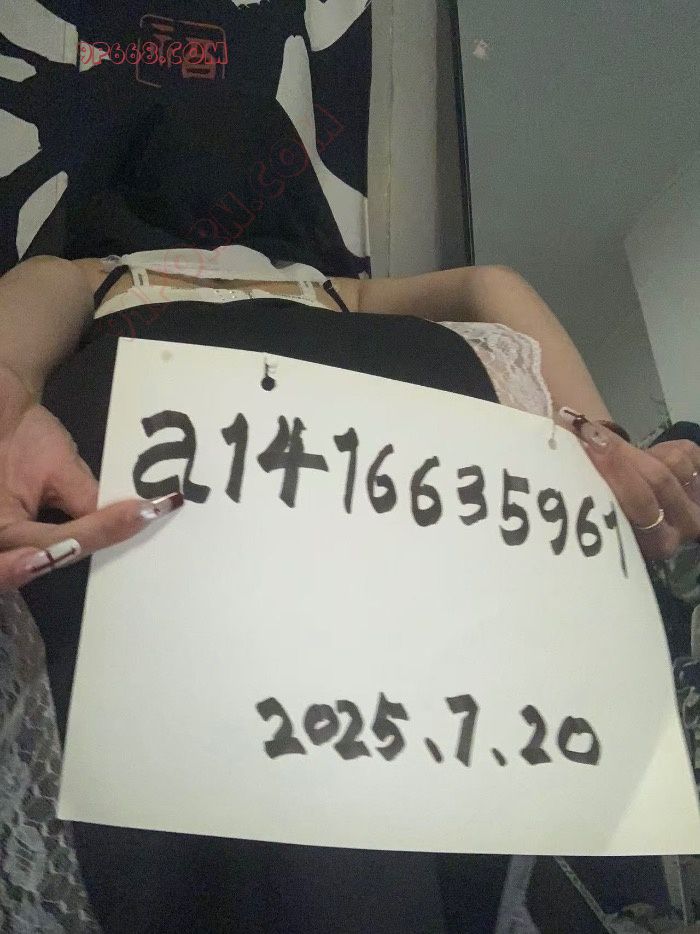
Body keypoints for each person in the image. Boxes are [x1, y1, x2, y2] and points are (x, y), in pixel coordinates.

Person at [0, 249, 699, 933]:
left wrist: (605, 449)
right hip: (168, 548)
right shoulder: (103, 275)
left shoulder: (346, 293)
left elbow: (491, 281)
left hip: (436, 557)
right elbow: (37, 298)